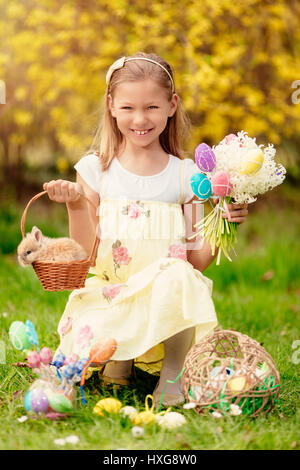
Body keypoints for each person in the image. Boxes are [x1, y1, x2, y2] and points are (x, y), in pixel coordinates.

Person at [43, 52, 248, 407]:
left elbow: (196, 262)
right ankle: (119, 362)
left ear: (172, 105)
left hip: (162, 300)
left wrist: (221, 222)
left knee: (177, 274)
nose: (140, 119)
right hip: (109, 293)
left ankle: (172, 375)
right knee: (84, 337)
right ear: (111, 106)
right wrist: (75, 203)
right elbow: (85, 255)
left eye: (152, 107)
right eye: (128, 108)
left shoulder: (186, 176)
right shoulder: (95, 170)